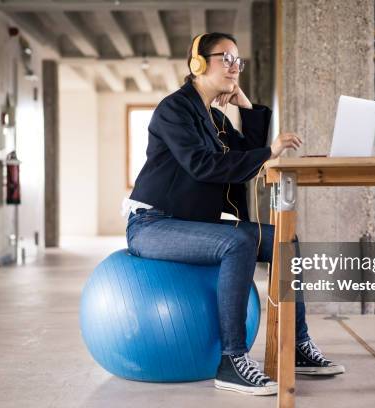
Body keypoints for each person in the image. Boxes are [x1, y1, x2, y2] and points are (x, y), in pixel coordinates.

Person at [123, 32, 345, 396]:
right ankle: (231, 361)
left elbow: (245, 156)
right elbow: (203, 165)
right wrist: (269, 151)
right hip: (154, 224)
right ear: (197, 63)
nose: (233, 66)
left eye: (237, 60)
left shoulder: (214, 117)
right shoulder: (174, 109)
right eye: (225, 58)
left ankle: (299, 344)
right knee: (238, 242)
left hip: (192, 223)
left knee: (280, 240)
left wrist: (245, 105)